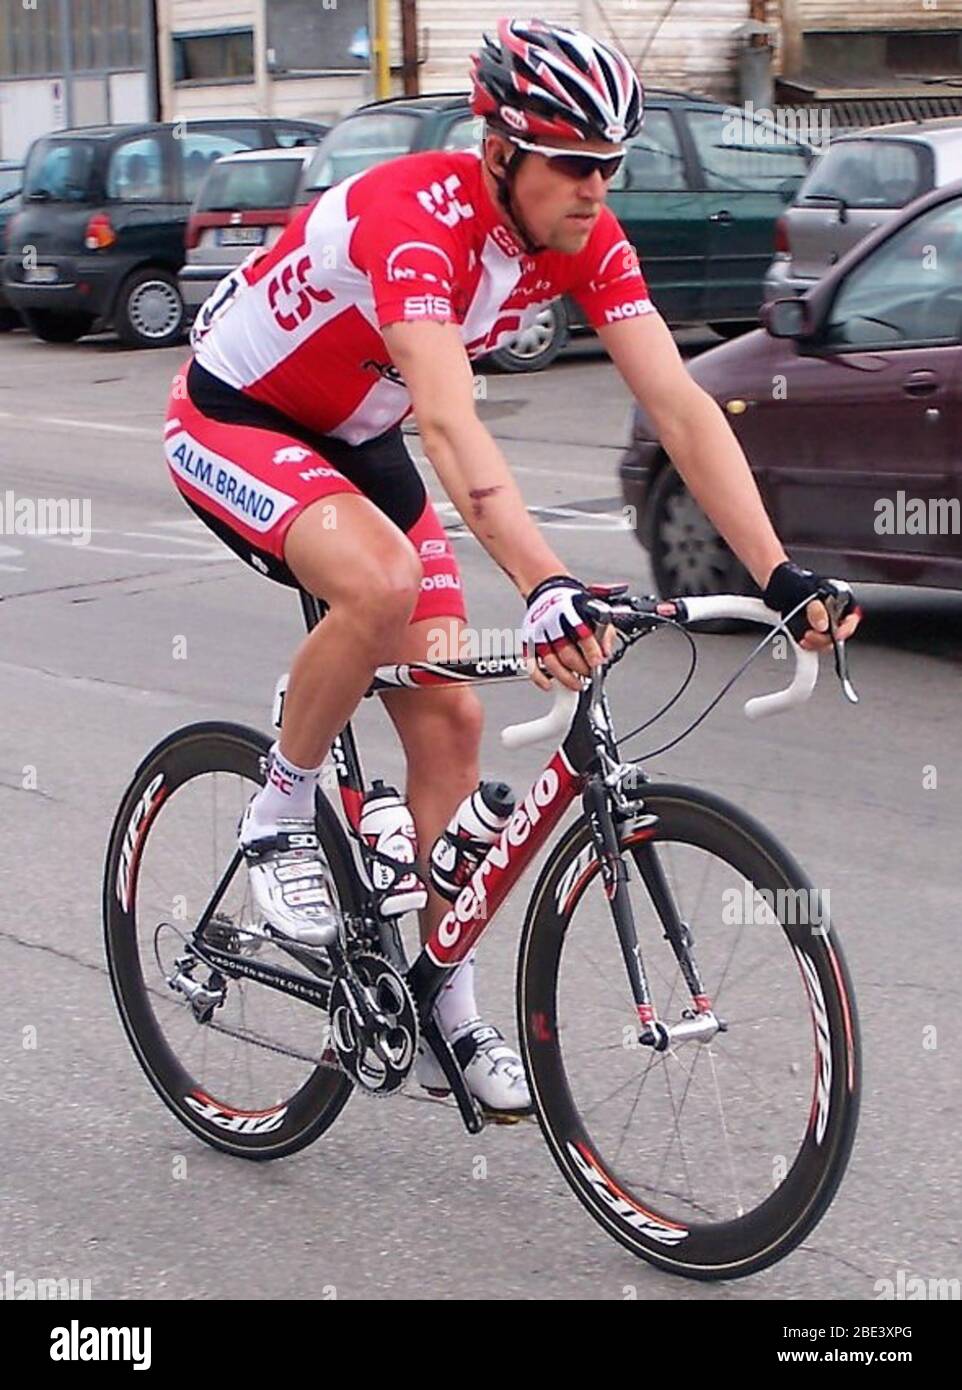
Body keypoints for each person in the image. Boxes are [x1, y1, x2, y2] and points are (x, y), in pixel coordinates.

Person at [163, 18, 860, 1114]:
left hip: (355, 437)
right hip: (235, 416)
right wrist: (542, 581)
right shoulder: (414, 217)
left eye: (608, 165)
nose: (595, 188)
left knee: (451, 723)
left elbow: (676, 405)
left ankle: (444, 1004)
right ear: (500, 151)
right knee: (381, 581)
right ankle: (278, 809)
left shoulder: (583, 235)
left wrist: (779, 573)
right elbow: (447, 423)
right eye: (572, 165)